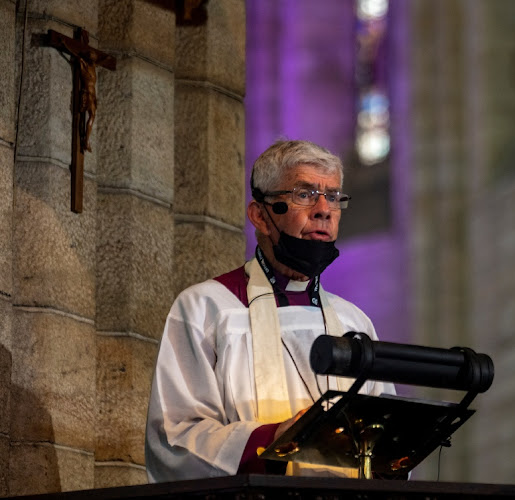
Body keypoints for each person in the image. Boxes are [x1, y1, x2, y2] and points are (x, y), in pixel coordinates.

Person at [145, 140, 395, 482]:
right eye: (304, 194)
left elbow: (388, 440)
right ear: (261, 215)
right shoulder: (207, 308)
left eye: (333, 196)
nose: (323, 209)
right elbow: (175, 438)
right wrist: (275, 440)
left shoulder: (355, 324)